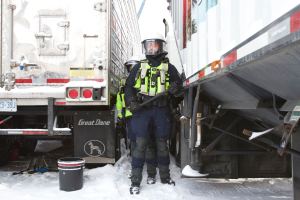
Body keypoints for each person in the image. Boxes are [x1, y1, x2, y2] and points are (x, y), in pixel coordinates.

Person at [125, 33, 182, 194]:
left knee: (162, 146)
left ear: (161, 46)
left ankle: (164, 177)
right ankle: (135, 182)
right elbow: (128, 87)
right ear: (145, 47)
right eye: (148, 45)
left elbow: (180, 91)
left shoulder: (169, 68)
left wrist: (175, 90)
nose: (151, 47)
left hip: (161, 111)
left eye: (154, 44)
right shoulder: (139, 67)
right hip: (142, 111)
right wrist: (131, 102)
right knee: (140, 145)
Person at [116, 57, 158, 183]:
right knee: (134, 143)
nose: (132, 70)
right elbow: (120, 100)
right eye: (130, 67)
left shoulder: (147, 80)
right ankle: (135, 169)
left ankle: (151, 172)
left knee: (149, 144)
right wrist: (120, 116)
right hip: (130, 117)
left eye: (134, 67)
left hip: (146, 117)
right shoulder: (124, 84)